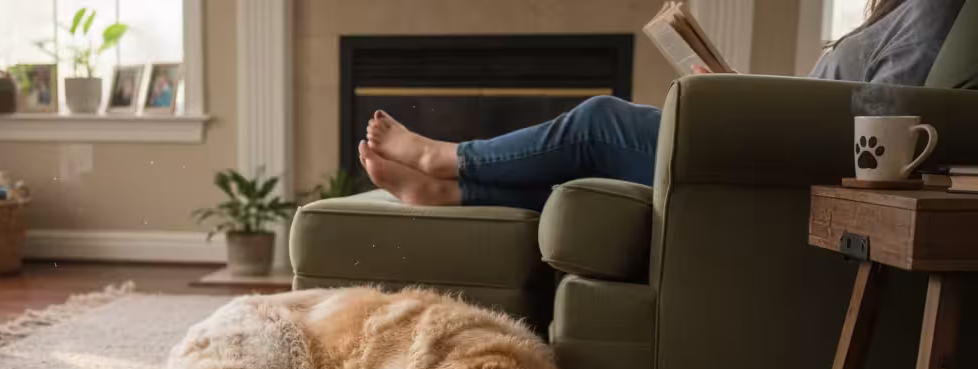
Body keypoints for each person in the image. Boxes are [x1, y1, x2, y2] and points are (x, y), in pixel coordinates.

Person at [359, 0, 966, 211]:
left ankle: (449, 160)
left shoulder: (933, 10)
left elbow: (887, 119)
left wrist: (756, 105)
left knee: (599, 120)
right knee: (589, 174)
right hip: (773, 145)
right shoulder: (904, 11)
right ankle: (446, 192)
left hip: (790, 165)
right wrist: (735, 89)